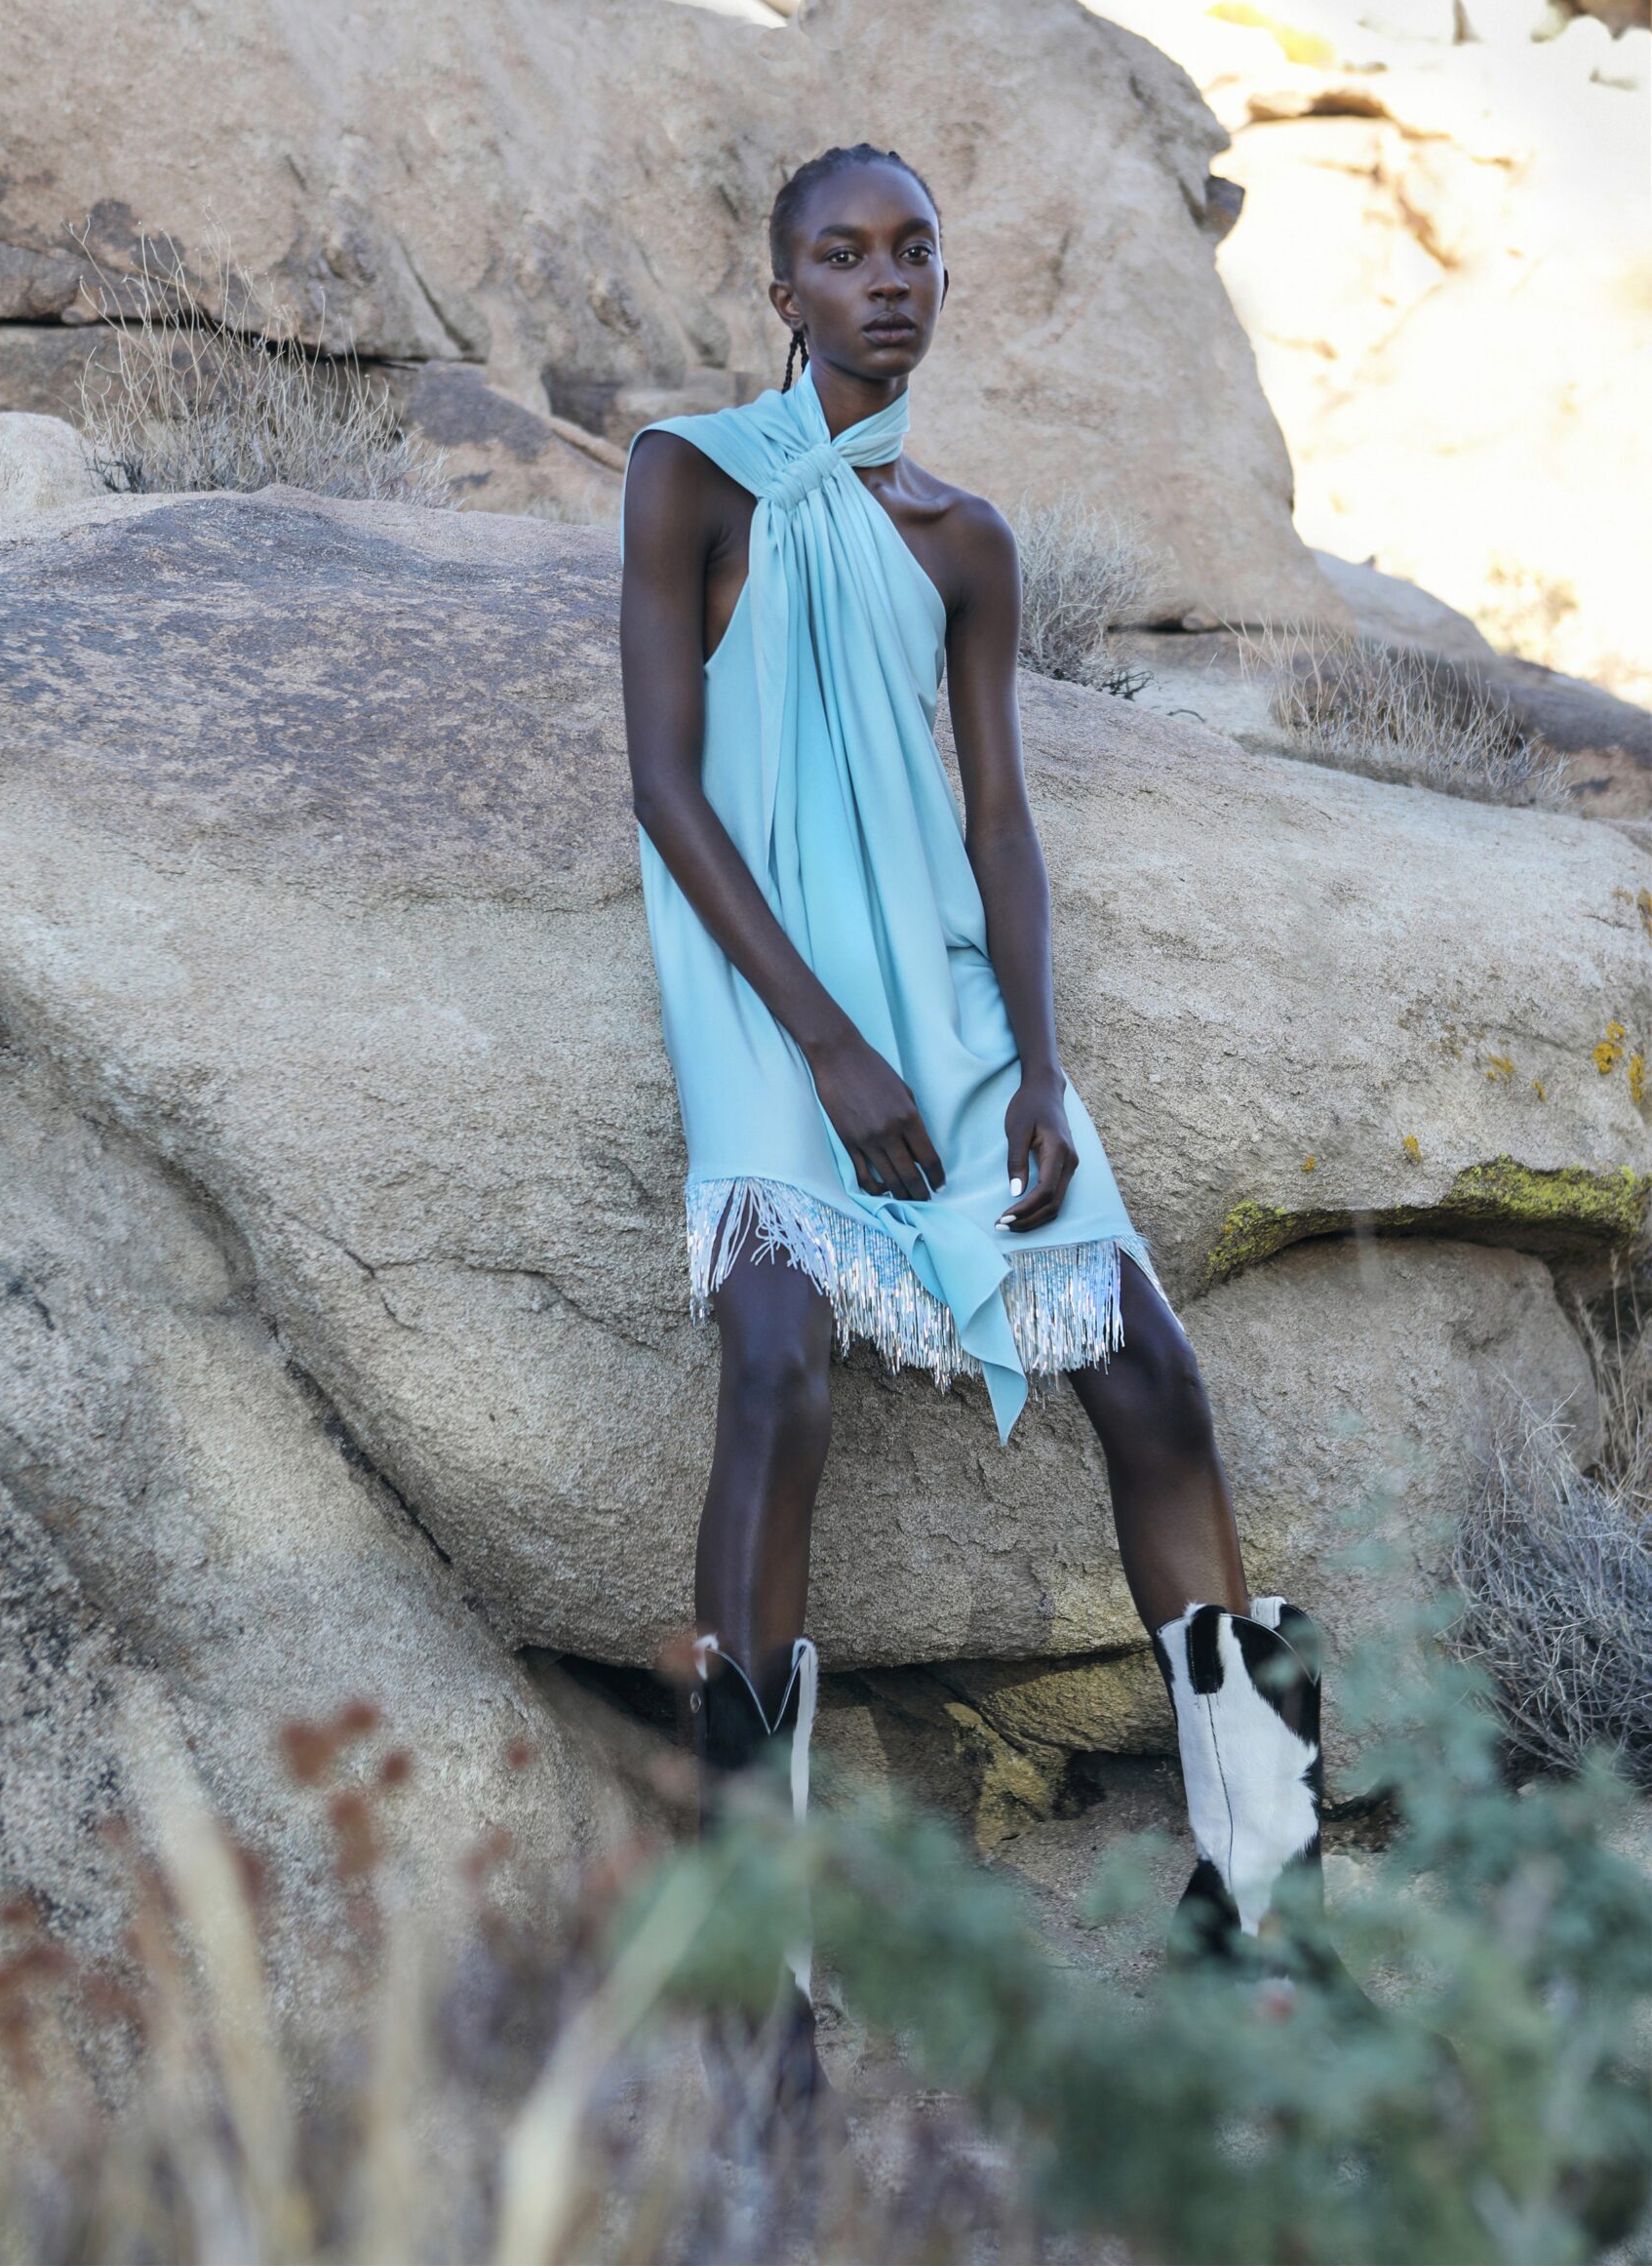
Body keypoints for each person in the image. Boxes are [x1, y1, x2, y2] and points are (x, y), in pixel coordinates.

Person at [618, 141, 1341, 2110]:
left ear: (944, 281)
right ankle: (747, 1954)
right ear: (776, 290)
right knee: (774, 1350)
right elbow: (667, 791)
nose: (881, 281)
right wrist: (831, 1052)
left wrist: (1024, 1063)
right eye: (838, 255)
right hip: (764, 972)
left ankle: (1255, 1905)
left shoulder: (962, 537)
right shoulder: (688, 474)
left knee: (1148, 1374)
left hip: (942, 994)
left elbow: (1000, 827)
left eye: (910, 250)